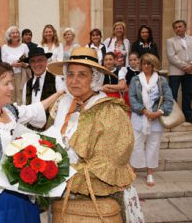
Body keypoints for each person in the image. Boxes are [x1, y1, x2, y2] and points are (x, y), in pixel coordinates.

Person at [0, 59, 63, 223]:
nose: (12, 88)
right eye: (7, 83)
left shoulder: (7, 110)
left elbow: (33, 109)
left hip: (20, 193)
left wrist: (59, 94)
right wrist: (35, 177)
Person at [45, 47, 139, 222]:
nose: (74, 81)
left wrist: (62, 173)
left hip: (97, 196)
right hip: (60, 194)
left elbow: (111, 159)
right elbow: (47, 140)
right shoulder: (61, 103)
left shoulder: (110, 111)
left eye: (82, 75)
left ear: (94, 77)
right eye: (70, 74)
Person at [129, 53, 173, 186]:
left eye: (149, 63)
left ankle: (150, 173)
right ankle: (133, 170)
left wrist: (158, 112)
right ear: (141, 65)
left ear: (154, 65)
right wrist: (144, 111)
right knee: (136, 145)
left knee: (153, 146)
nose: (146, 66)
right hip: (139, 118)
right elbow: (132, 99)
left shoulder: (162, 80)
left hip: (156, 119)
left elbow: (169, 100)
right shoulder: (135, 80)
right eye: (144, 63)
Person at [166, 20, 192, 124]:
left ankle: (188, 116)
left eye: (180, 26)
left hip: (190, 71)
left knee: (188, 94)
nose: (178, 29)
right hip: (175, 71)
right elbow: (171, 56)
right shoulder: (170, 41)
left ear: (185, 28)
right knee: (173, 94)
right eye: (175, 27)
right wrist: (185, 66)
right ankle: (173, 116)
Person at [22, 47, 63, 130]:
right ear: (29, 64)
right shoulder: (27, 84)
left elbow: (61, 106)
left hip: (50, 129)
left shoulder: (56, 80)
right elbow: (25, 106)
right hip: (30, 130)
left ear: (46, 61)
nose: (36, 64)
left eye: (40, 60)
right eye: (33, 61)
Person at [1, 26, 29, 104]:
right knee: (10, 95)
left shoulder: (24, 46)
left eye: (17, 32)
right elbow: (3, 63)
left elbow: (28, 62)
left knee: (21, 96)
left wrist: (22, 64)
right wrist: (12, 64)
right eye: (13, 33)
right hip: (9, 74)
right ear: (9, 35)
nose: (15, 34)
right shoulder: (5, 47)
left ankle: (22, 114)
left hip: (21, 74)